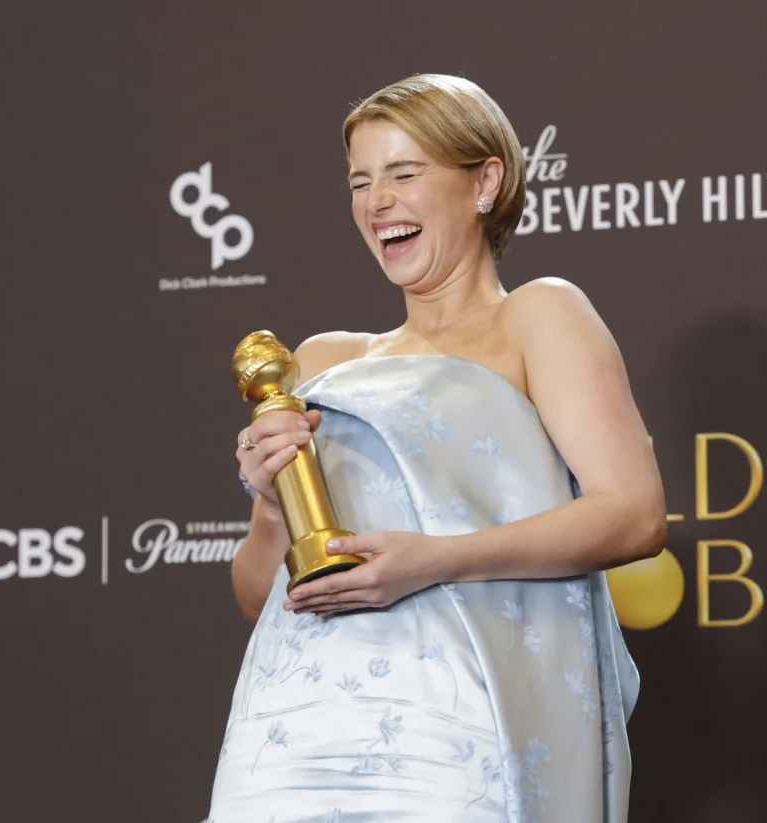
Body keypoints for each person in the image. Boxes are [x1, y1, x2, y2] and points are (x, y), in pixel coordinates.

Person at [207, 74, 666, 823]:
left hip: (456, 725)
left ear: (484, 181)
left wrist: (434, 559)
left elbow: (633, 514)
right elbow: (264, 596)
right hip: (294, 729)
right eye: (360, 180)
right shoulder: (322, 360)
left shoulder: (536, 317)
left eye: (404, 173)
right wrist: (268, 505)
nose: (376, 200)